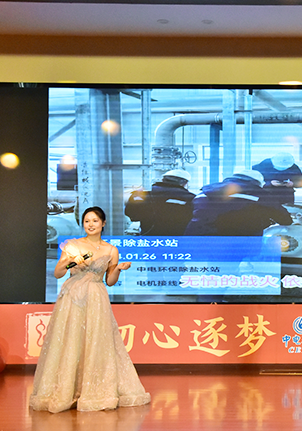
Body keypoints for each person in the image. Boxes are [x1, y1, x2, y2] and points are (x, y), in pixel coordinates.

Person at [30, 206, 151, 413]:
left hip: (96, 296)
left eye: (95, 221)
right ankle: (67, 390)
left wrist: (118, 269)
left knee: (95, 340)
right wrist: (70, 262)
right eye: (87, 221)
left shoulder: (111, 250)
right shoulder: (73, 245)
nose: (90, 224)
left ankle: (93, 389)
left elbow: (110, 281)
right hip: (72, 296)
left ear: (103, 223)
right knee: (71, 339)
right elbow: (58, 273)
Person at [184, 169, 293, 236]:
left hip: (199, 239)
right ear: (257, 183)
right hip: (238, 242)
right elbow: (284, 218)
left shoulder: (203, 192)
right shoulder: (260, 194)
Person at [124, 169, 195, 236]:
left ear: (162, 180)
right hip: (177, 238)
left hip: (149, 236)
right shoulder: (190, 198)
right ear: (185, 184)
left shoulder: (142, 194)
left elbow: (131, 214)